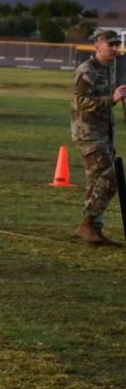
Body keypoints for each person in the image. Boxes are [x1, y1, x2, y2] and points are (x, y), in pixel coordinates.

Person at [70, 28, 126, 246]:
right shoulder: (86, 71)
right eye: (110, 45)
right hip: (88, 134)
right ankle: (88, 222)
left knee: (95, 182)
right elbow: (81, 103)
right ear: (97, 46)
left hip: (104, 133)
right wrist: (111, 99)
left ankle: (94, 229)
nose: (114, 49)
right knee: (109, 177)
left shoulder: (110, 69)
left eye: (116, 44)